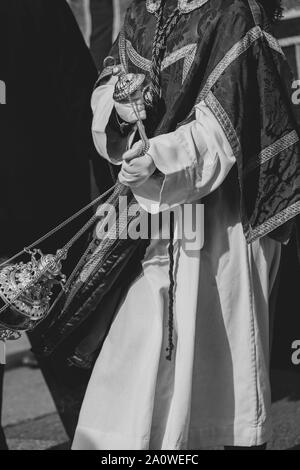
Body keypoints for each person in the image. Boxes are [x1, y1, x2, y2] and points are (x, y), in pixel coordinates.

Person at [70, 0, 300, 450]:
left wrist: (157, 159)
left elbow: (226, 128)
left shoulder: (233, 11)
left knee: (213, 389)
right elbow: (107, 89)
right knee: (129, 375)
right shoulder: (143, 13)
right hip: (151, 223)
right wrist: (119, 113)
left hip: (223, 224)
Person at [0, 0, 113, 443]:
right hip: (45, 195)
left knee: (66, 333)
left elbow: (80, 95)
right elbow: (79, 93)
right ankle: (97, 437)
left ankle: (98, 438)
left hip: (43, 201)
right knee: (66, 336)